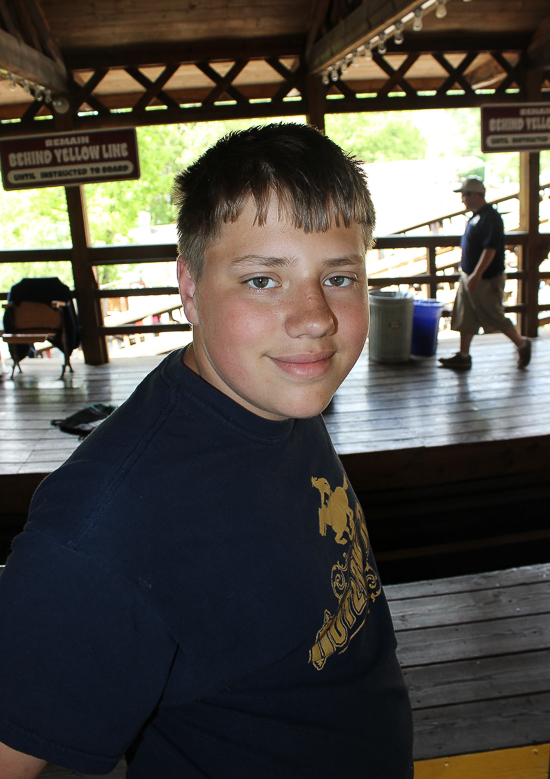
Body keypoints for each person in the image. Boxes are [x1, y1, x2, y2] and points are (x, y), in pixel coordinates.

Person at [0, 123, 414, 779]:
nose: (314, 317)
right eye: (261, 280)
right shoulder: (105, 526)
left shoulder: (278, 393)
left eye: (338, 276)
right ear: (189, 289)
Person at [439, 175, 531, 370]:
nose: (462, 199)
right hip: (470, 276)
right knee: (466, 316)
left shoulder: (492, 217)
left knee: (494, 315)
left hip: (485, 279)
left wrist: (477, 274)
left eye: (464, 195)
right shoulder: (476, 216)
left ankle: (522, 344)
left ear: (474, 194)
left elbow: (490, 249)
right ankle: (464, 355)